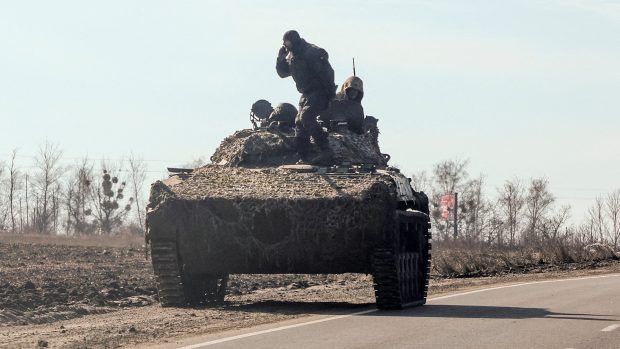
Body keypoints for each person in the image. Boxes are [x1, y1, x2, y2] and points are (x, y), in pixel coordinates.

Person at [276, 30, 336, 161]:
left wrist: (330, 94)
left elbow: (327, 73)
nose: (284, 45)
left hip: (320, 91)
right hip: (306, 93)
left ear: (293, 40)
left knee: (306, 117)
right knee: (299, 123)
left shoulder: (311, 52)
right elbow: (283, 73)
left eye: (286, 42)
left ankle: (326, 149)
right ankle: (304, 155)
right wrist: (280, 59)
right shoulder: (292, 55)